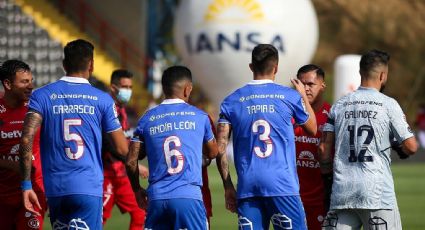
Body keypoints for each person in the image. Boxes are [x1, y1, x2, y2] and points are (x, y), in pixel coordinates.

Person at [19, 39, 128, 229]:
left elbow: (27, 138)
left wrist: (26, 184)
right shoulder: (103, 100)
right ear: (91, 65)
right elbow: (121, 148)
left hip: (55, 188)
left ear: (64, 65)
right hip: (89, 187)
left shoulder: (41, 95)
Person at [216, 44, 317, 229]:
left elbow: (220, 147)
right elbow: (313, 128)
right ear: (276, 68)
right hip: (282, 186)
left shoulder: (231, 101)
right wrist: (302, 95)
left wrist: (228, 185)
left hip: (248, 188)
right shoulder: (289, 96)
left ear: (251, 67)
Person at [319, 49, 418, 230]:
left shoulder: (339, 105)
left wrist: (327, 181)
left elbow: (324, 150)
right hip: (377, 195)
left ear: (360, 73)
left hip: (343, 192)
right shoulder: (388, 104)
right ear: (383, 75)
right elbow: (411, 147)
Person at [125, 66, 218, 229]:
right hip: (188, 198)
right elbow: (213, 152)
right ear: (188, 89)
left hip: (157, 199)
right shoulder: (200, 116)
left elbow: (131, 161)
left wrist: (137, 189)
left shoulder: (147, 118)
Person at [0, 60, 47, 229]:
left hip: (33, 190)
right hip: (3, 195)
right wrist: (13, 165)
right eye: (24, 82)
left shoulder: (37, 108)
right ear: (8, 84)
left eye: (31, 81)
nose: (30, 86)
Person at [102, 69, 147, 229]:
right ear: (113, 88)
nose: (128, 91)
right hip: (105, 174)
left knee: (141, 213)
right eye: (124, 87)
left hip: (120, 174)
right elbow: (108, 144)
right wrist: (133, 162)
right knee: (95, 219)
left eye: (130, 87)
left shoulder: (121, 109)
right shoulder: (106, 108)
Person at [294, 64, 331, 230]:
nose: (305, 89)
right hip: (292, 199)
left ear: (322, 86)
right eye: (302, 84)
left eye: (310, 84)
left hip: (321, 200)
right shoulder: (289, 115)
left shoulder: (332, 116)